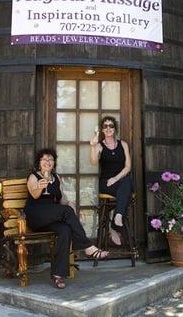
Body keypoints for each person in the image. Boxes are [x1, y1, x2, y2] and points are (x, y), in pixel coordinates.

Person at [25, 148, 108, 289]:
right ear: (39, 163)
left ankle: (58, 274)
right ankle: (87, 246)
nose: (47, 162)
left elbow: (61, 200)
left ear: (54, 163)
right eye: (44, 159)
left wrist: (69, 203)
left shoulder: (56, 178)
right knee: (67, 212)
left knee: (65, 230)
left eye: (50, 159)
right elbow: (34, 195)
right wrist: (40, 187)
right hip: (36, 215)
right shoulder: (34, 176)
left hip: (51, 217)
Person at [89, 116, 133, 246]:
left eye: (111, 126)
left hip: (119, 180)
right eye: (105, 126)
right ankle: (115, 224)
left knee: (126, 182)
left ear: (115, 129)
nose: (108, 128)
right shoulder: (99, 146)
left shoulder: (123, 144)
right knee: (126, 189)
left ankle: (116, 220)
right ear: (102, 129)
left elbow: (128, 167)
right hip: (106, 184)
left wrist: (115, 178)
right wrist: (92, 147)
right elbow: (93, 162)